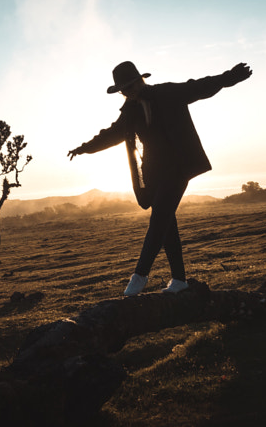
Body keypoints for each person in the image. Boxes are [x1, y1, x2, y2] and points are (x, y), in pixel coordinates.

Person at [68, 60, 252, 296]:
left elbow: (198, 87)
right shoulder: (130, 110)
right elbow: (112, 134)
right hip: (153, 173)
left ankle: (140, 276)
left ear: (139, 81)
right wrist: (84, 148)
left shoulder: (167, 92)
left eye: (129, 86)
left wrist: (229, 77)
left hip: (178, 168)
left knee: (159, 219)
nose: (127, 92)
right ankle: (179, 280)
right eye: (122, 90)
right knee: (167, 225)